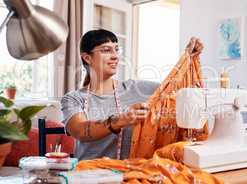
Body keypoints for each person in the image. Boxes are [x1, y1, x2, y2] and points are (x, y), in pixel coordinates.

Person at [61, 29, 202, 161]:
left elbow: (174, 88)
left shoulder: (138, 89)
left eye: (116, 49)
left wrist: (188, 59)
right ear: (87, 58)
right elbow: (80, 130)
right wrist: (122, 119)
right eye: (106, 50)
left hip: (132, 173)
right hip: (90, 173)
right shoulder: (73, 99)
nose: (115, 56)